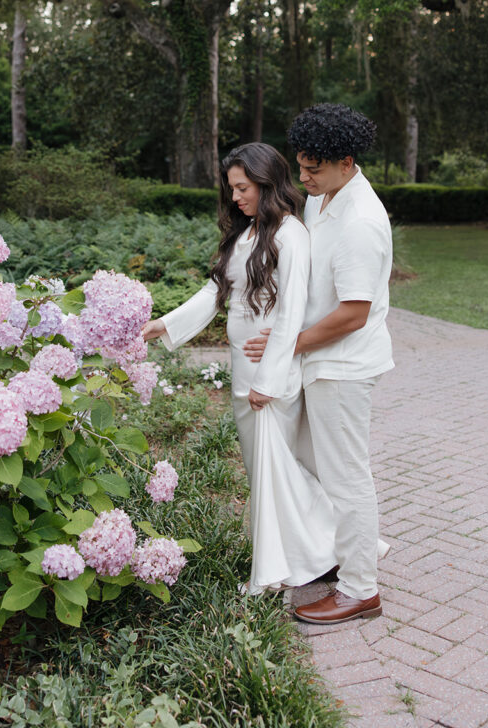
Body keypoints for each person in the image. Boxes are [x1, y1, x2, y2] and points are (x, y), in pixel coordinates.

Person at [142, 142, 339, 594]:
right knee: (262, 467)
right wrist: (163, 326)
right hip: (242, 371)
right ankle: (314, 551)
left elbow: (290, 312)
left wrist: (269, 379)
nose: (235, 197)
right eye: (231, 189)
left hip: (270, 373)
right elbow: (217, 292)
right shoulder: (247, 233)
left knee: (275, 467)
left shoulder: (291, 234)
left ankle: (310, 555)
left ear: (267, 183)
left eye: (242, 187)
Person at [244, 103, 393, 625]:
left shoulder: (361, 221)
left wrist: (288, 346)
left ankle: (360, 589)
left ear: (346, 161)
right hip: (319, 362)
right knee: (321, 470)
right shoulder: (322, 200)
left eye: (313, 169)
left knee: (348, 477)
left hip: (343, 367)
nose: (302, 177)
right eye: (300, 165)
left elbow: (353, 313)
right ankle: (335, 559)